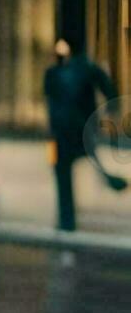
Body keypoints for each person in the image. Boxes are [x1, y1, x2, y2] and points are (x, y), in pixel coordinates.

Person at [44, 37, 125, 231]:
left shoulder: (54, 72)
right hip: (81, 128)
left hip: (63, 130)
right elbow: (109, 91)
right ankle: (109, 180)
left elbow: (51, 102)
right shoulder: (86, 68)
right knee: (82, 158)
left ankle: (66, 220)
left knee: (62, 170)